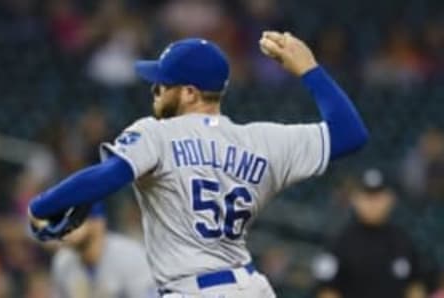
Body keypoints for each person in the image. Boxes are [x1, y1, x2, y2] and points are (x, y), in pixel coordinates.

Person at [28, 31, 369, 297]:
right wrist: (310, 69)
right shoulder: (265, 141)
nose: (155, 89)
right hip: (251, 287)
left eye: (163, 83)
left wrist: (43, 205)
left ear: (189, 92)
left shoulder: (157, 134)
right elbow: (350, 134)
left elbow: (110, 175)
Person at [313, 168, 427, 298]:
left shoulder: (404, 241)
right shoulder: (339, 241)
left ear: (391, 199)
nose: (373, 203)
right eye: (367, 196)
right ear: (355, 199)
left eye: (378, 196)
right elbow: (326, 291)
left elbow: (415, 287)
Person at [51, 202, 156, 298]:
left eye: (74, 221)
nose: (66, 228)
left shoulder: (131, 257)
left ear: (98, 222)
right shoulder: (62, 261)